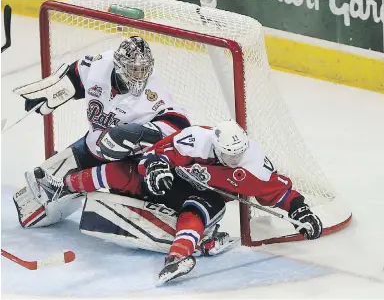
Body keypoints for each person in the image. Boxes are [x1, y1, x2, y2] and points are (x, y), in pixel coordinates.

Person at [25, 120, 322, 284]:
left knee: (196, 211)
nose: (234, 160)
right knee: (122, 173)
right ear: (216, 145)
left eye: (237, 155)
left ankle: (177, 258)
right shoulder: (195, 138)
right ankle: (61, 186)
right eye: (227, 155)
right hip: (175, 180)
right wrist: (154, 170)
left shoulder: (253, 165)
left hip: (209, 196)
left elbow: (279, 192)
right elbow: (155, 154)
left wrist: (301, 211)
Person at [12, 36, 191, 229]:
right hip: (92, 147)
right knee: (30, 212)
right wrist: (54, 90)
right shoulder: (99, 66)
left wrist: (139, 133)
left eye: (143, 69)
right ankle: (69, 188)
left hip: (129, 159)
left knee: (133, 203)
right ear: (119, 65)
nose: (139, 75)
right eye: (133, 69)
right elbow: (75, 75)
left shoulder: (154, 91)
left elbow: (180, 123)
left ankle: (169, 212)